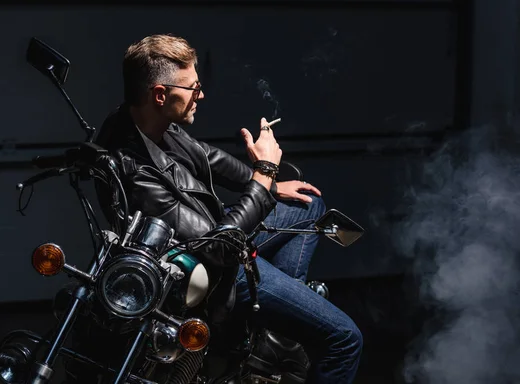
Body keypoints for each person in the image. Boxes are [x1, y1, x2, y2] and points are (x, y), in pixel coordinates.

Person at [95, 34, 363, 383]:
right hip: (217, 269)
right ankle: (281, 325)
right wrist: (264, 174)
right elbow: (218, 249)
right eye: (193, 88)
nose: (201, 95)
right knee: (345, 339)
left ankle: (274, 337)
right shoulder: (135, 173)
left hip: (223, 232)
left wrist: (273, 185)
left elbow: (207, 156)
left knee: (308, 206)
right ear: (161, 95)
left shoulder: (148, 123)